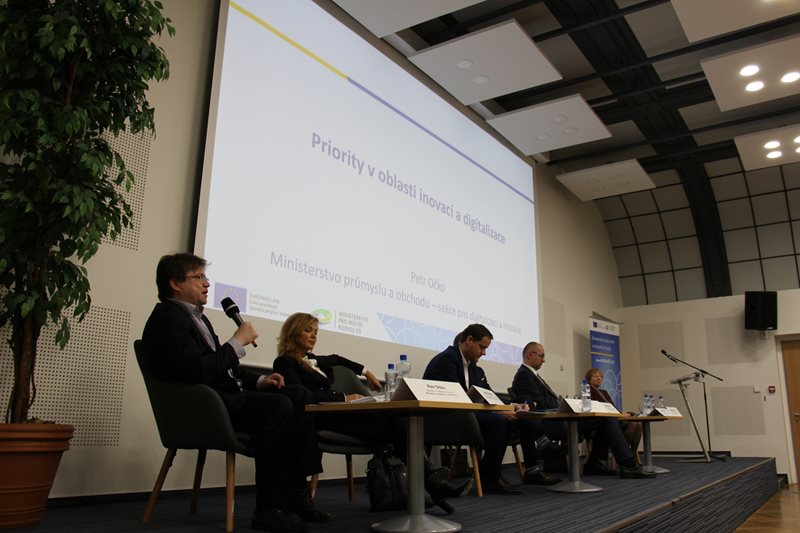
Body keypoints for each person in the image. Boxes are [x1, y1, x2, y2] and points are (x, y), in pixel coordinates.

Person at [141, 253, 327, 532]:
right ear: (175, 284)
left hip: (224, 399)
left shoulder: (198, 319)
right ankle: (269, 508)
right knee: (279, 407)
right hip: (205, 408)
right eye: (199, 277)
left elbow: (225, 369)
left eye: (205, 276)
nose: (207, 283)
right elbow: (197, 372)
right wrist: (236, 342)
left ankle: (297, 495)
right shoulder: (168, 319)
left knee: (297, 395)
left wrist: (262, 381)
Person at [273, 312, 472, 512]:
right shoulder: (284, 362)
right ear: (293, 333)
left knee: (397, 421)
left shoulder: (314, 360)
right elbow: (303, 396)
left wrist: (366, 372)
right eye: (308, 330)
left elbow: (339, 359)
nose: (314, 336)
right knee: (396, 426)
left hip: (340, 414)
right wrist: (344, 398)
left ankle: (432, 485)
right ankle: (433, 484)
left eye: (316, 332)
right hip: (323, 417)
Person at [423, 324, 561, 495]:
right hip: (448, 417)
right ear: (469, 340)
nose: (484, 353)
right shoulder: (447, 360)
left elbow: (489, 395)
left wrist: (512, 407)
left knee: (519, 415)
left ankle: (509, 471)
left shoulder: (475, 369)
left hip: (468, 415)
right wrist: (496, 412)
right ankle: (490, 478)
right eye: (481, 347)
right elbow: (457, 399)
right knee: (497, 420)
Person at [511, 342, 654, 479]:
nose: (544, 360)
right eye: (541, 355)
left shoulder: (532, 375)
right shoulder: (524, 375)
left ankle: (595, 464)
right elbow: (538, 405)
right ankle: (627, 465)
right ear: (530, 355)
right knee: (606, 419)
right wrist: (563, 407)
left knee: (605, 419)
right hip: (553, 422)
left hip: (561, 417)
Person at [585, 368, 643, 464]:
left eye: (600, 377)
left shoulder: (604, 392)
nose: (599, 378)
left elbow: (612, 408)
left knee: (638, 424)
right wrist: (619, 415)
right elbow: (596, 408)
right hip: (600, 422)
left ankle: (631, 452)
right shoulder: (588, 392)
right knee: (632, 425)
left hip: (613, 419)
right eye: (595, 376)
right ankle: (623, 455)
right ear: (589, 379)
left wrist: (622, 414)